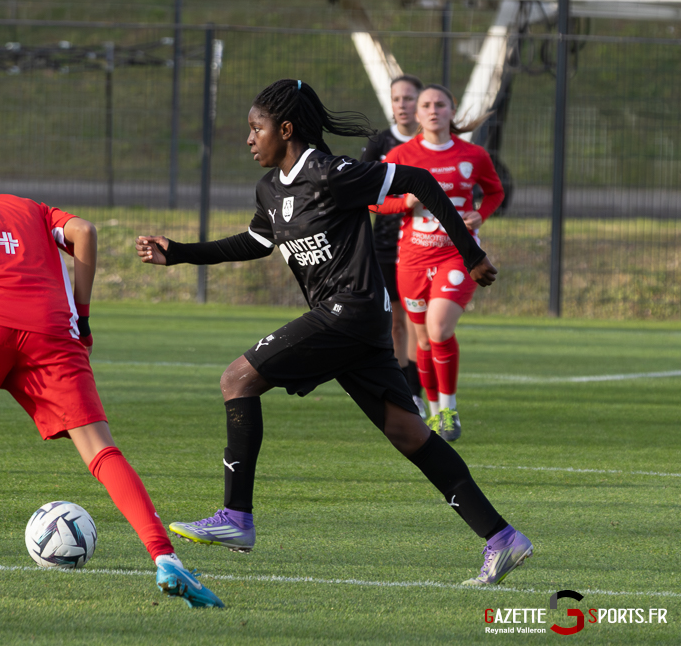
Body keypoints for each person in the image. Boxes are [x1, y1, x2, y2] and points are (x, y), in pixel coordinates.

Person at [135, 80, 531, 586]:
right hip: (353, 326)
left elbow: (420, 180)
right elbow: (255, 241)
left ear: (285, 129)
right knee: (409, 433)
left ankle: (236, 516)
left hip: (351, 311)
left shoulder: (331, 173)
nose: (249, 139)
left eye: (256, 128)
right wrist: (180, 253)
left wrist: (470, 254)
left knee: (237, 379)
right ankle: (502, 538)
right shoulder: (270, 188)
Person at [0, 117, 223, 608]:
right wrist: (82, 316)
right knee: (101, 452)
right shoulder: (32, 209)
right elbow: (85, 231)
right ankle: (166, 559)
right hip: (52, 334)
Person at [372, 84, 505, 442]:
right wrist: (403, 204)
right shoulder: (401, 154)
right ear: (417, 114)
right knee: (424, 340)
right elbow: (371, 198)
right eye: (427, 105)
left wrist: (480, 215)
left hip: (457, 255)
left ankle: (449, 408)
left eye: (440, 104)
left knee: (439, 327)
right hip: (413, 259)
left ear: (452, 110)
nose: (433, 110)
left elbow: (495, 191)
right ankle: (435, 414)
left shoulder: (473, 154)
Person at [360, 74, 425, 417]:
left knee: (420, 322)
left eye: (409, 98)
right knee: (397, 321)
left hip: (424, 243)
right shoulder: (380, 142)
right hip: (386, 244)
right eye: (396, 99)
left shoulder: (432, 142)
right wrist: (402, 204)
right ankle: (407, 391)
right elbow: (365, 192)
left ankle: (420, 389)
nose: (402, 105)